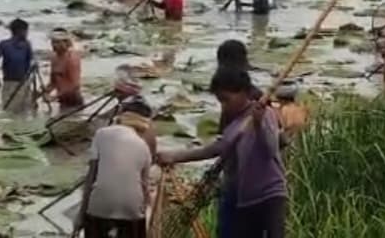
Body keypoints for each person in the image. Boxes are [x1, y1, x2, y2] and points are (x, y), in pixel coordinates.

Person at [158, 68, 288, 238]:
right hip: (246, 198)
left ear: (243, 92)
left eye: (226, 100)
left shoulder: (265, 114)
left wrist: (258, 124)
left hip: (270, 194)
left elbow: (271, 149)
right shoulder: (234, 126)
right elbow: (213, 149)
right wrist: (175, 156)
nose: (223, 106)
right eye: (220, 101)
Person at [77, 97, 154, 238]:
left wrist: (81, 216)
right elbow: (145, 189)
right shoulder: (144, 147)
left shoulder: (102, 134)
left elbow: (91, 177)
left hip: (100, 207)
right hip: (131, 211)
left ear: (121, 114)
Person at [0, 18, 35, 112]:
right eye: (26, 31)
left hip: (24, 83)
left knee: (26, 110)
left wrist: (32, 75)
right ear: (19, 31)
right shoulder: (4, 44)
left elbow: (31, 61)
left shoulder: (27, 45)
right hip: (9, 83)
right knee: (9, 109)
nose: (27, 33)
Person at [45, 29, 83, 111]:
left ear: (66, 43)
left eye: (57, 42)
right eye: (53, 42)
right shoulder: (54, 58)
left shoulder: (72, 59)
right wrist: (44, 92)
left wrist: (54, 97)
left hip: (73, 99)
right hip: (62, 99)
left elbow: (74, 85)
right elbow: (53, 82)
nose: (54, 45)